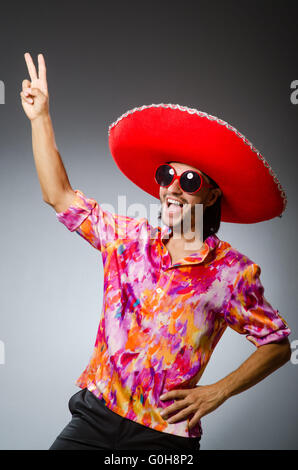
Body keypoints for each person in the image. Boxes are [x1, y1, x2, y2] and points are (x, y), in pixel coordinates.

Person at [20, 53, 292, 451]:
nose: (173, 187)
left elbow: (278, 344)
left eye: (189, 179)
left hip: (165, 434)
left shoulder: (232, 273)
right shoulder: (127, 239)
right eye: (167, 175)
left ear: (213, 193)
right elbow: (58, 196)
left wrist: (219, 391)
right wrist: (40, 116)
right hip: (97, 415)